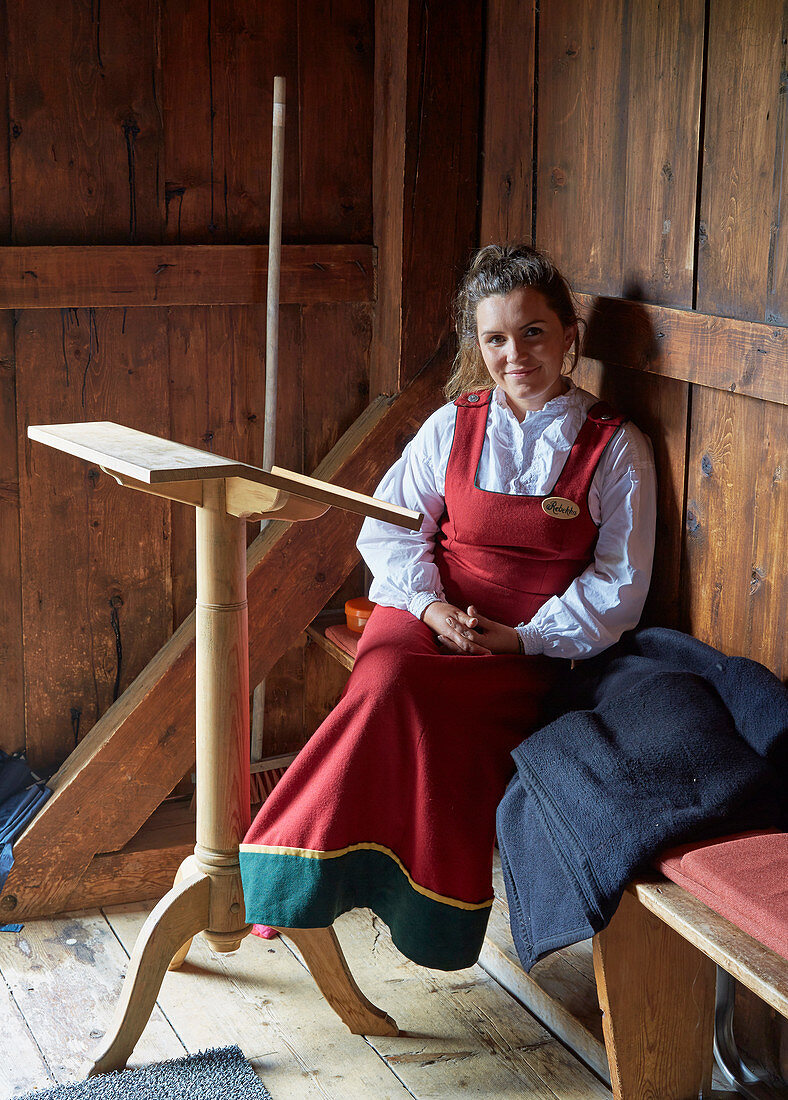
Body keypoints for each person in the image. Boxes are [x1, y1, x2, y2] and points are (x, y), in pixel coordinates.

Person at [239, 243, 657, 971]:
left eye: (532, 331)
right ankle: (294, 873)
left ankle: (375, 896)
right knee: (388, 683)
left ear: (568, 336)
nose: (514, 353)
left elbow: (620, 585)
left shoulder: (616, 448)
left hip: (530, 647)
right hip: (425, 613)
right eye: (495, 337)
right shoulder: (452, 425)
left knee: (441, 726)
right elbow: (391, 529)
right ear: (479, 344)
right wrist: (432, 611)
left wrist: (522, 639)